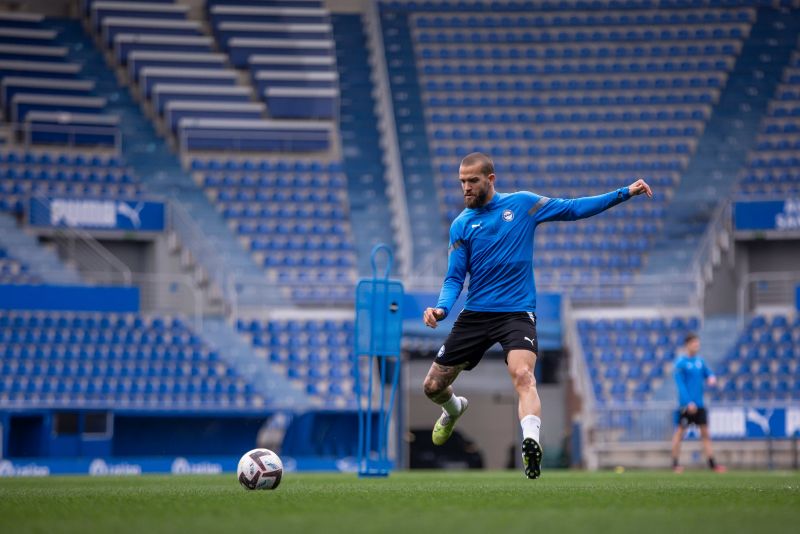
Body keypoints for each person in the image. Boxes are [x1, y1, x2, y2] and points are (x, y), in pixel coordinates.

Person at [422, 152, 653, 479]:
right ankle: (454, 408)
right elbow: (454, 278)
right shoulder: (461, 224)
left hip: (516, 313)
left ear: (490, 179)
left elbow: (573, 208)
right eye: (461, 182)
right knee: (432, 386)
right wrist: (442, 308)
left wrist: (624, 192)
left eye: (472, 181)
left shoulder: (523, 205)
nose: (466, 188)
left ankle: (531, 443)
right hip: (476, 315)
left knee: (523, 376)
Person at [671, 333, 726, 473]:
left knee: (705, 434)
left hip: (700, 405)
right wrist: (688, 402)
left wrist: (712, 378)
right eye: (694, 343)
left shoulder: (700, 361)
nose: (697, 346)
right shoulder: (680, 363)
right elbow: (680, 385)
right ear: (688, 344)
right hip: (686, 406)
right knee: (679, 434)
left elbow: (709, 373)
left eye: (698, 343)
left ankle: (713, 465)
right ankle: (675, 464)